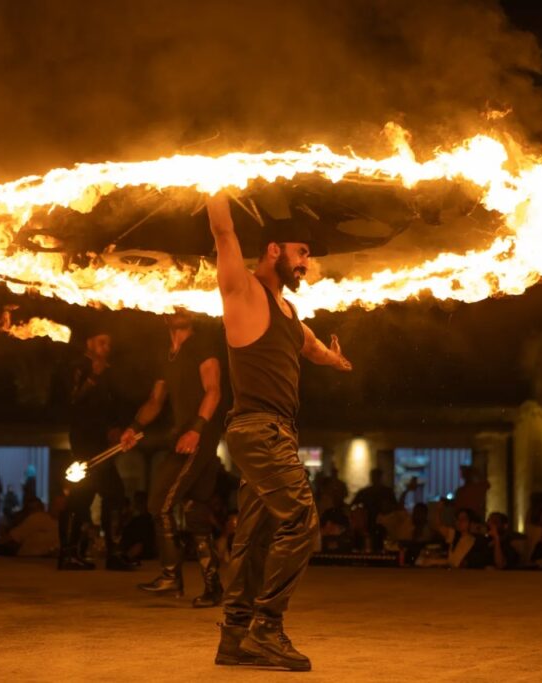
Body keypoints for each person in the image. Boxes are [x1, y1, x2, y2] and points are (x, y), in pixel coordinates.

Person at [207, 194, 352, 671]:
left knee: (256, 535)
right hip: (256, 429)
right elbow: (224, 234)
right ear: (274, 250)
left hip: (277, 434)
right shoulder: (244, 293)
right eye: (302, 252)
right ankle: (266, 628)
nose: (306, 263)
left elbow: (308, 348)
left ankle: (234, 636)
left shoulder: (288, 313)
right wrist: (214, 182)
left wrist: (333, 358)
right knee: (301, 521)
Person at [119, 307, 226, 606]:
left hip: (197, 437)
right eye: (173, 305)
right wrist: (133, 427)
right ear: (164, 314)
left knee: (159, 503)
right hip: (185, 436)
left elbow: (213, 391)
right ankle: (213, 587)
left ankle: (170, 575)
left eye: (184, 305)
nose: (180, 308)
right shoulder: (167, 355)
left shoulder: (202, 346)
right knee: (194, 512)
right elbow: (156, 400)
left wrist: (196, 430)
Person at [59, 326, 129, 571]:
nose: (106, 348)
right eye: (102, 342)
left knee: (89, 495)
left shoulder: (109, 372)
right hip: (84, 440)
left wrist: (117, 428)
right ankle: (106, 554)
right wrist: (92, 378)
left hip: (102, 442)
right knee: (108, 493)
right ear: (89, 343)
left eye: (109, 343)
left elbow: (111, 407)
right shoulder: (78, 366)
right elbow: (72, 400)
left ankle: (77, 554)